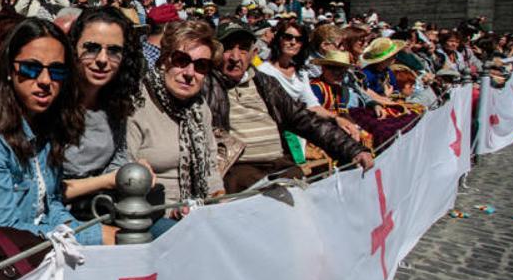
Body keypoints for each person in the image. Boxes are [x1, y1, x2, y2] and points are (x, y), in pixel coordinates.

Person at [0, 19, 101, 245]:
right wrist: (92, 237)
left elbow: (49, 202)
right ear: (9, 70)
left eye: (57, 71)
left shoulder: (45, 122)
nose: (45, 80)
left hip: (43, 249)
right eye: (31, 68)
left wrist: (85, 232)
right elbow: (4, 229)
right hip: (5, 260)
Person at [204, 22, 373, 194]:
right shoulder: (206, 84)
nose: (235, 57)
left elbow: (303, 119)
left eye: (243, 49)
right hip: (239, 170)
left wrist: (352, 149)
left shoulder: (265, 82)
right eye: (228, 49)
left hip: (279, 165)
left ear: (253, 53)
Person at [127, 20, 224, 237]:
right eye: (181, 60)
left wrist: (219, 200)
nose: (190, 73)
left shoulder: (199, 108)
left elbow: (210, 168)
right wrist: (174, 209)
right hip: (153, 214)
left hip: (198, 210)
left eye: (200, 66)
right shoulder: (138, 103)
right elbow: (126, 173)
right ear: (165, 59)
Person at [63, 8, 145, 203]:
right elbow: (42, 189)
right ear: (73, 48)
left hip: (104, 205)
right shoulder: (52, 102)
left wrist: (130, 171)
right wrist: (107, 181)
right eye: (91, 48)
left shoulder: (116, 102)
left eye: (114, 51)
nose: (102, 59)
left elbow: (118, 159)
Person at [256, 21, 333, 117]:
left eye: (299, 39)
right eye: (288, 37)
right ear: (279, 39)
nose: (293, 42)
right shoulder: (264, 71)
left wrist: (338, 119)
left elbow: (312, 105)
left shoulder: (301, 72)